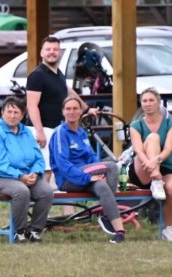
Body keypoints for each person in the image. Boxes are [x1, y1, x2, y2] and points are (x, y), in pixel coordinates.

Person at [49, 96, 125, 243]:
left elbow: (92, 158)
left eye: (75, 108)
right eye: (68, 109)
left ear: (80, 111)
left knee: (103, 185)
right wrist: (89, 177)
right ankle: (105, 216)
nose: (72, 112)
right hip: (68, 180)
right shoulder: (60, 132)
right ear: (63, 112)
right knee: (112, 166)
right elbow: (63, 165)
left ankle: (119, 232)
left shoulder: (82, 132)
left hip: (87, 175)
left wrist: (98, 174)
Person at [0, 96, 53, 243]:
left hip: (27, 176)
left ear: (23, 115)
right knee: (21, 191)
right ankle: (20, 231)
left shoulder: (26, 132)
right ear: (2, 113)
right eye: (9, 111)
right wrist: (19, 176)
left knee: (46, 191)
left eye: (16, 112)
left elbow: (38, 157)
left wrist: (35, 172)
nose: (12, 115)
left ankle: (34, 230)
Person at [26, 36, 97, 181]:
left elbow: (68, 91)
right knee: (44, 171)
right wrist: (39, 131)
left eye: (55, 49)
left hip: (57, 129)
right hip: (42, 129)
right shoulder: (37, 76)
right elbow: (31, 105)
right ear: (41, 53)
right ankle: (41, 202)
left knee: (64, 169)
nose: (51, 52)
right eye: (48, 49)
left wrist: (86, 109)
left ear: (60, 53)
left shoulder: (58, 74)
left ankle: (63, 202)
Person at [128, 87, 172, 241]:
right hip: (142, 169)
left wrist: (155, 161)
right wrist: (152, 168)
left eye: (151, 100)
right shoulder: (136, 125)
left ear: (158, 102)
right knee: (153, 137)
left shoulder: (171, 123)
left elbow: (168, 149)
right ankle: (156, 180)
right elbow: (138, 150)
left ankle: (168, 228)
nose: (148, 104)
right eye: (144, 101)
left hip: (162, 166)